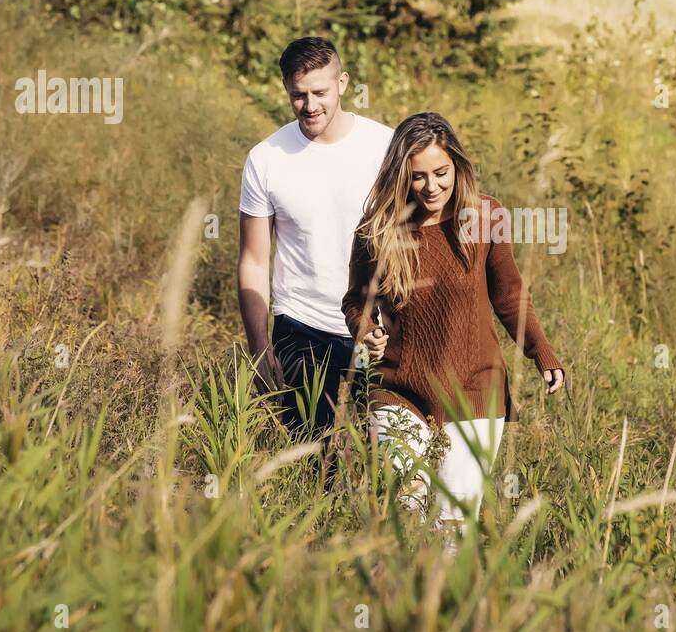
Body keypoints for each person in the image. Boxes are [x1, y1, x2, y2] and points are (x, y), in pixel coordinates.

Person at [342, 111, 565, 529]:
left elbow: (509, 295)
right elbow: (355, 300)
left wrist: (542, 353)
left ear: (457, 165)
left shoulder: (485, 217)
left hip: (474, 390)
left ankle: (443, 595)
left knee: (451, 526)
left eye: (441, 173)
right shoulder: (378, 228)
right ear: (401, 176)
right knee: (403, 515)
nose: (432, 187)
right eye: (418, 176)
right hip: (399, 389)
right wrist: (367, 330)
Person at [238, 37, 393, 439]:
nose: (310, 106)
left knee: (388, 457)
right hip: (301, 326)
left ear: (342, 83)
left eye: (320, 92)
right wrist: (259, 347)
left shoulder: (386, 147)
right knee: (317, 452)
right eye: (298, 95)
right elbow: (254, 261)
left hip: (377, 327)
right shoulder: (266, 158)